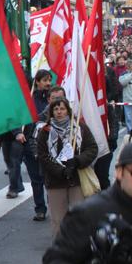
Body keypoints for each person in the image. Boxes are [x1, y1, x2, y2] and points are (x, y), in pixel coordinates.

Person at [37, 98, 99, 235]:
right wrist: (60, 171)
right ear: (51, 112)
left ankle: (80, 250)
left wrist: (77, 161)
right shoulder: (45, 131)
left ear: (68, 111)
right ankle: (61, 251)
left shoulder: (80, 127)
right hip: (55, 182)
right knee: (59, 220)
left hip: (77, 180)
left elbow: (92, 148)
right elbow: (42, 155)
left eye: (62, 109)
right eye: (56, 109)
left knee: (80, 218)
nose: (59, 112)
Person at [14, 70, 50, 221]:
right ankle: (40, 208)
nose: (48, 83)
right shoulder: (27, 98)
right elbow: (16, 118)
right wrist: (17, 132)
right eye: (45, 80)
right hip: (30, 143)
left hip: (49, 144)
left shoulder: (52, 98)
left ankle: (55, 205)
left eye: (49, 80)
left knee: (50, 178)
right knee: (36, 178)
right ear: (37, 82)